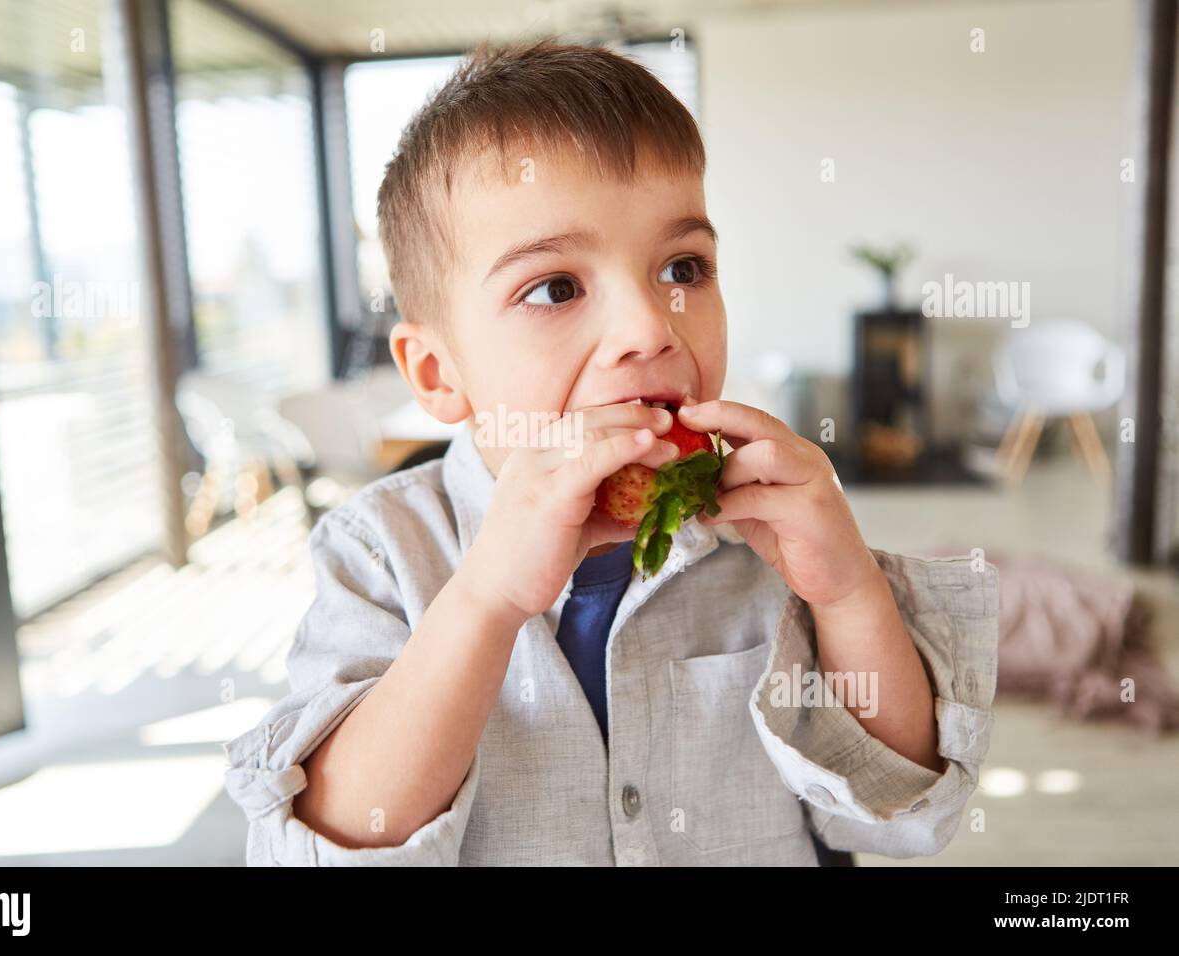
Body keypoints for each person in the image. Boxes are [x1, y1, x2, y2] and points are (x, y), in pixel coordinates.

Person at [222, 39, 998, 866]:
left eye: (682, 268)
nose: (650, 326)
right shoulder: (378, 551)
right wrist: (484, 600)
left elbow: (895, 809)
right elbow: (332, 840)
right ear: (440, 374)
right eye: (555, 287)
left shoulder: (768, 536)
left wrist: (848, 596)